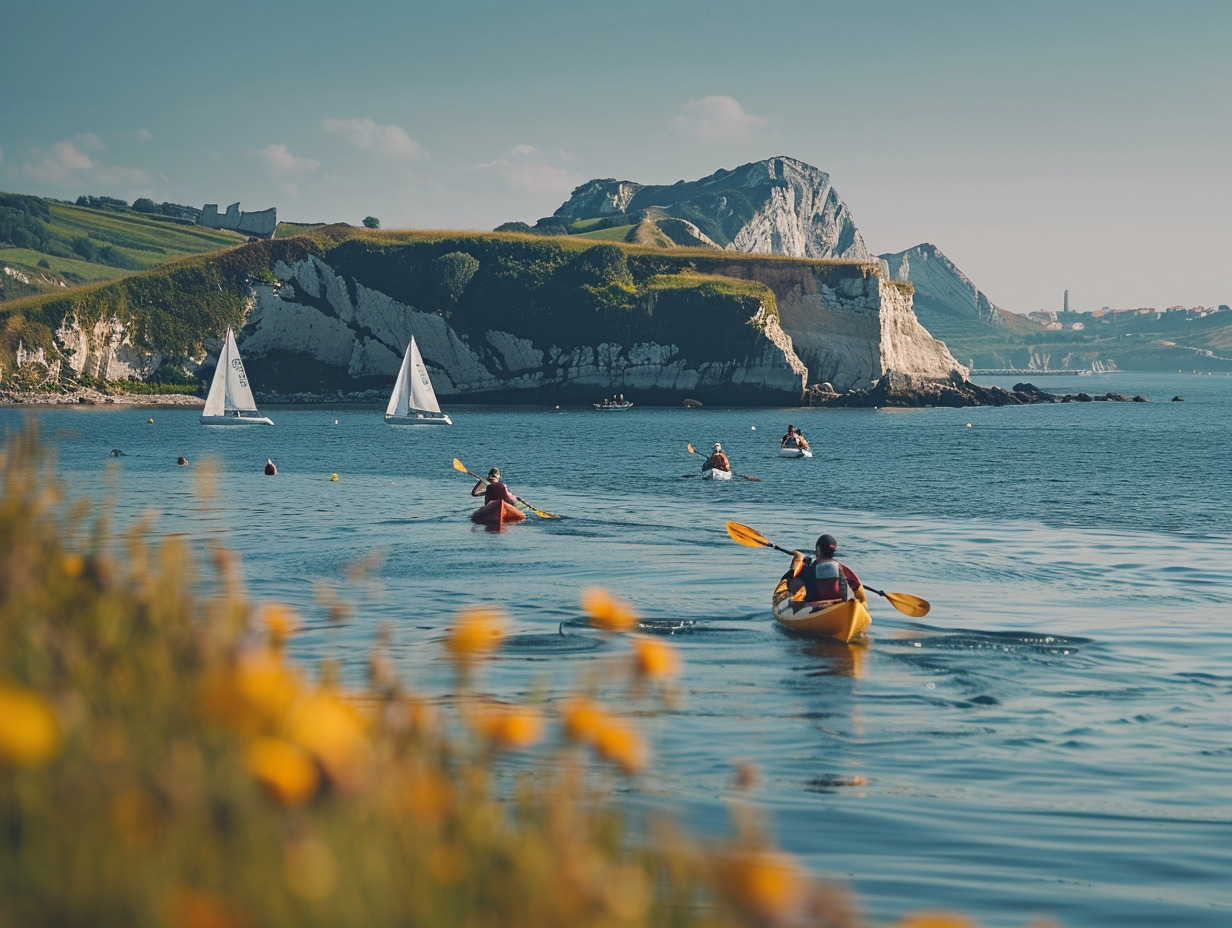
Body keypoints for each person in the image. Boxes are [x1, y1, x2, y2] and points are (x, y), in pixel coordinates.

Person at [784, 534, 865, 604]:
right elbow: (857, 587)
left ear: (818, 549)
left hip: (815, 607)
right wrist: (863, 603)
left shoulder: (809, 569)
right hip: (839, 605)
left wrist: (797, 563)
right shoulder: (841, 568)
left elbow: (792, 586)